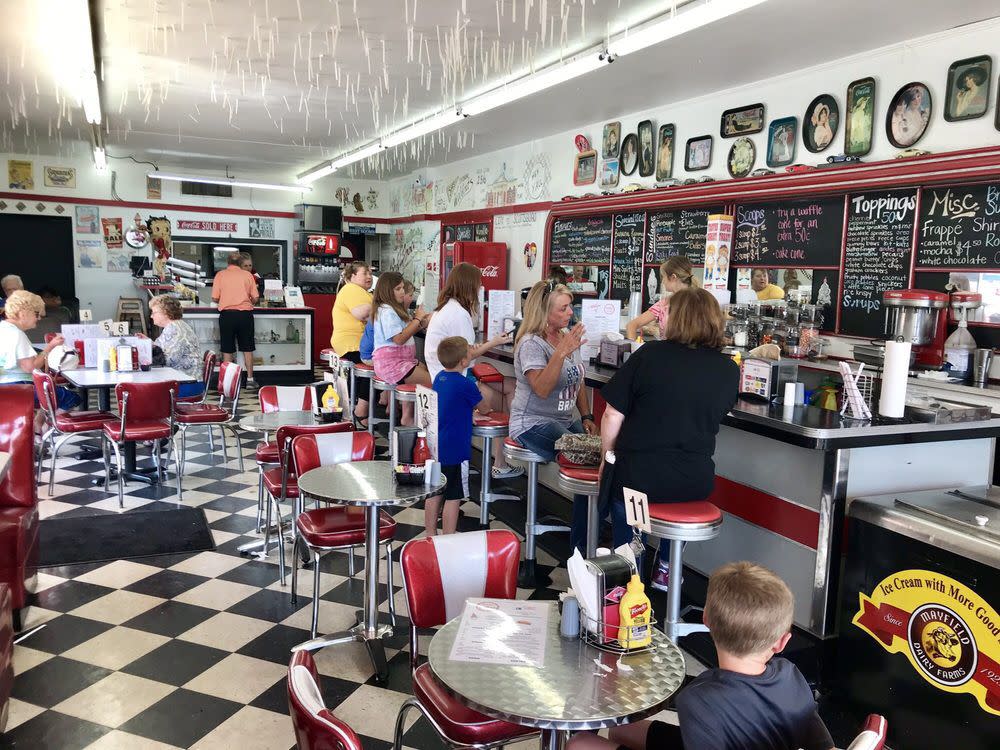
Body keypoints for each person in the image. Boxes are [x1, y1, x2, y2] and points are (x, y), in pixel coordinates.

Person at [566, 562, 834, 750]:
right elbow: (823, 744)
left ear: (706, 619)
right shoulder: (791, 675)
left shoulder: (699, 701)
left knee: (578, 743)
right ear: (782, 642)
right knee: (622, 728)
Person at [599, 288, 739, 590]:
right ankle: (667, 563)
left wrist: (607, 458)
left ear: (680, 319)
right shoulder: (729, 369)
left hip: (639, 481)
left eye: (668, 312)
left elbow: (612, 414)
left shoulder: (649, 355)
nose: (661, 318)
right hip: (694, 482)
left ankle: (628, 580)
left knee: (625, 510)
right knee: (672, 504)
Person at [510, 280, 596, 553]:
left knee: (600, 457)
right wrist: (561, 352)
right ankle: (582, 545)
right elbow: (542, 388)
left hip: (562, 421)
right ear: (544, 313)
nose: (571, 312)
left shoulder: (567, 336)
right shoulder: (531, 344)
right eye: (564, 308)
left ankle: (586, 533)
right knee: (588, 455)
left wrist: (586, 416)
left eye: (570, 306)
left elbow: (578, 378)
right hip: (530, 423)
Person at [425, 262, 521, 479]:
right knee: (512, 390)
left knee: (509, 388)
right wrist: (494, 341)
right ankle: (504, 457)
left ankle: (501, 459)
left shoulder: (445, 309)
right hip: (455, 389)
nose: (481, 288)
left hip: (441, 382)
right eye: (479, 284)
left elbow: (465, 351)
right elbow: (468, 354)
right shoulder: (458, 314)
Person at [423, 337, 485, 536]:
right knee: (453, 496)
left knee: (433, 493)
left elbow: (450, 405)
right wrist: (478, 412)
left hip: (435, 447)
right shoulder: (466, 384)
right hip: (454, 451)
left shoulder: (439, 378)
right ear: (464, 362)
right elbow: (484, 407)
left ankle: (430, 535)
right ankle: (448, 538)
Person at [0, 291, 81, 423]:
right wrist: (49, 347)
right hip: (20, 387)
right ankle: (39, 426)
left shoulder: (3, 328)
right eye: (36, 314)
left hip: (5, 387)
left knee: (50, 394)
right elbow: (30, 367)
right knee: (72, 398)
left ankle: (37, 426)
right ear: (23, 313)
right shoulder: (17, 335)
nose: (39, 318)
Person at [371, 272, 431, 426]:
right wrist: (417, 319)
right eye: (398, 288)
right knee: (433, 382)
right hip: (393, 365)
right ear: (387, 291)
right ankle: (415, 421)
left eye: (403, 288)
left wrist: (421, 323)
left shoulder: (389, 309)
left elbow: (406, 332)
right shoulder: (387, 311)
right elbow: (399, 339)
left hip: (400, 362)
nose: (403, 292)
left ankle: (407, 415)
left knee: (423, 369)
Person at [332, 261, 374, 426]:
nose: (369, 276)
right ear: (352, 276)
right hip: (352, 343)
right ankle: (361, 409)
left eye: (370, 273)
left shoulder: (363, 292)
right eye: (365, 273)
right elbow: (362, 313)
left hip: (359, 342)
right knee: (377, 363)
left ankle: (375, 404)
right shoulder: (351, 289)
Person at [211, 251, 260, 390]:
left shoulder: (220, 275)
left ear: (227, 262)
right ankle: (250, 380)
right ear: (240, 263)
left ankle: (228, 382)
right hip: (245, 316)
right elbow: (255, 298)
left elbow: (214, 298)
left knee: (227, 349)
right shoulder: (247, 275)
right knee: (248, 348)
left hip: (227, 316)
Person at [139, 295, 203, 399]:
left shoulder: (173, 329)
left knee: (143, 392)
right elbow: (163, 349)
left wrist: (141, 360)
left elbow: (167, 361)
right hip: (189, 380)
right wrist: (148, 342)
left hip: (186, 384)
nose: (151, 316)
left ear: (165, 313)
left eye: (154, 312)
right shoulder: (177, 325)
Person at [625, 256, 694, 341]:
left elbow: (631, 325)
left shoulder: (665, 304)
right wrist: (634, 347)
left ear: (673, 277)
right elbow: (632, 325)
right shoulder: (663, 304)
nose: (662, 282)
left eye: (663, 277)